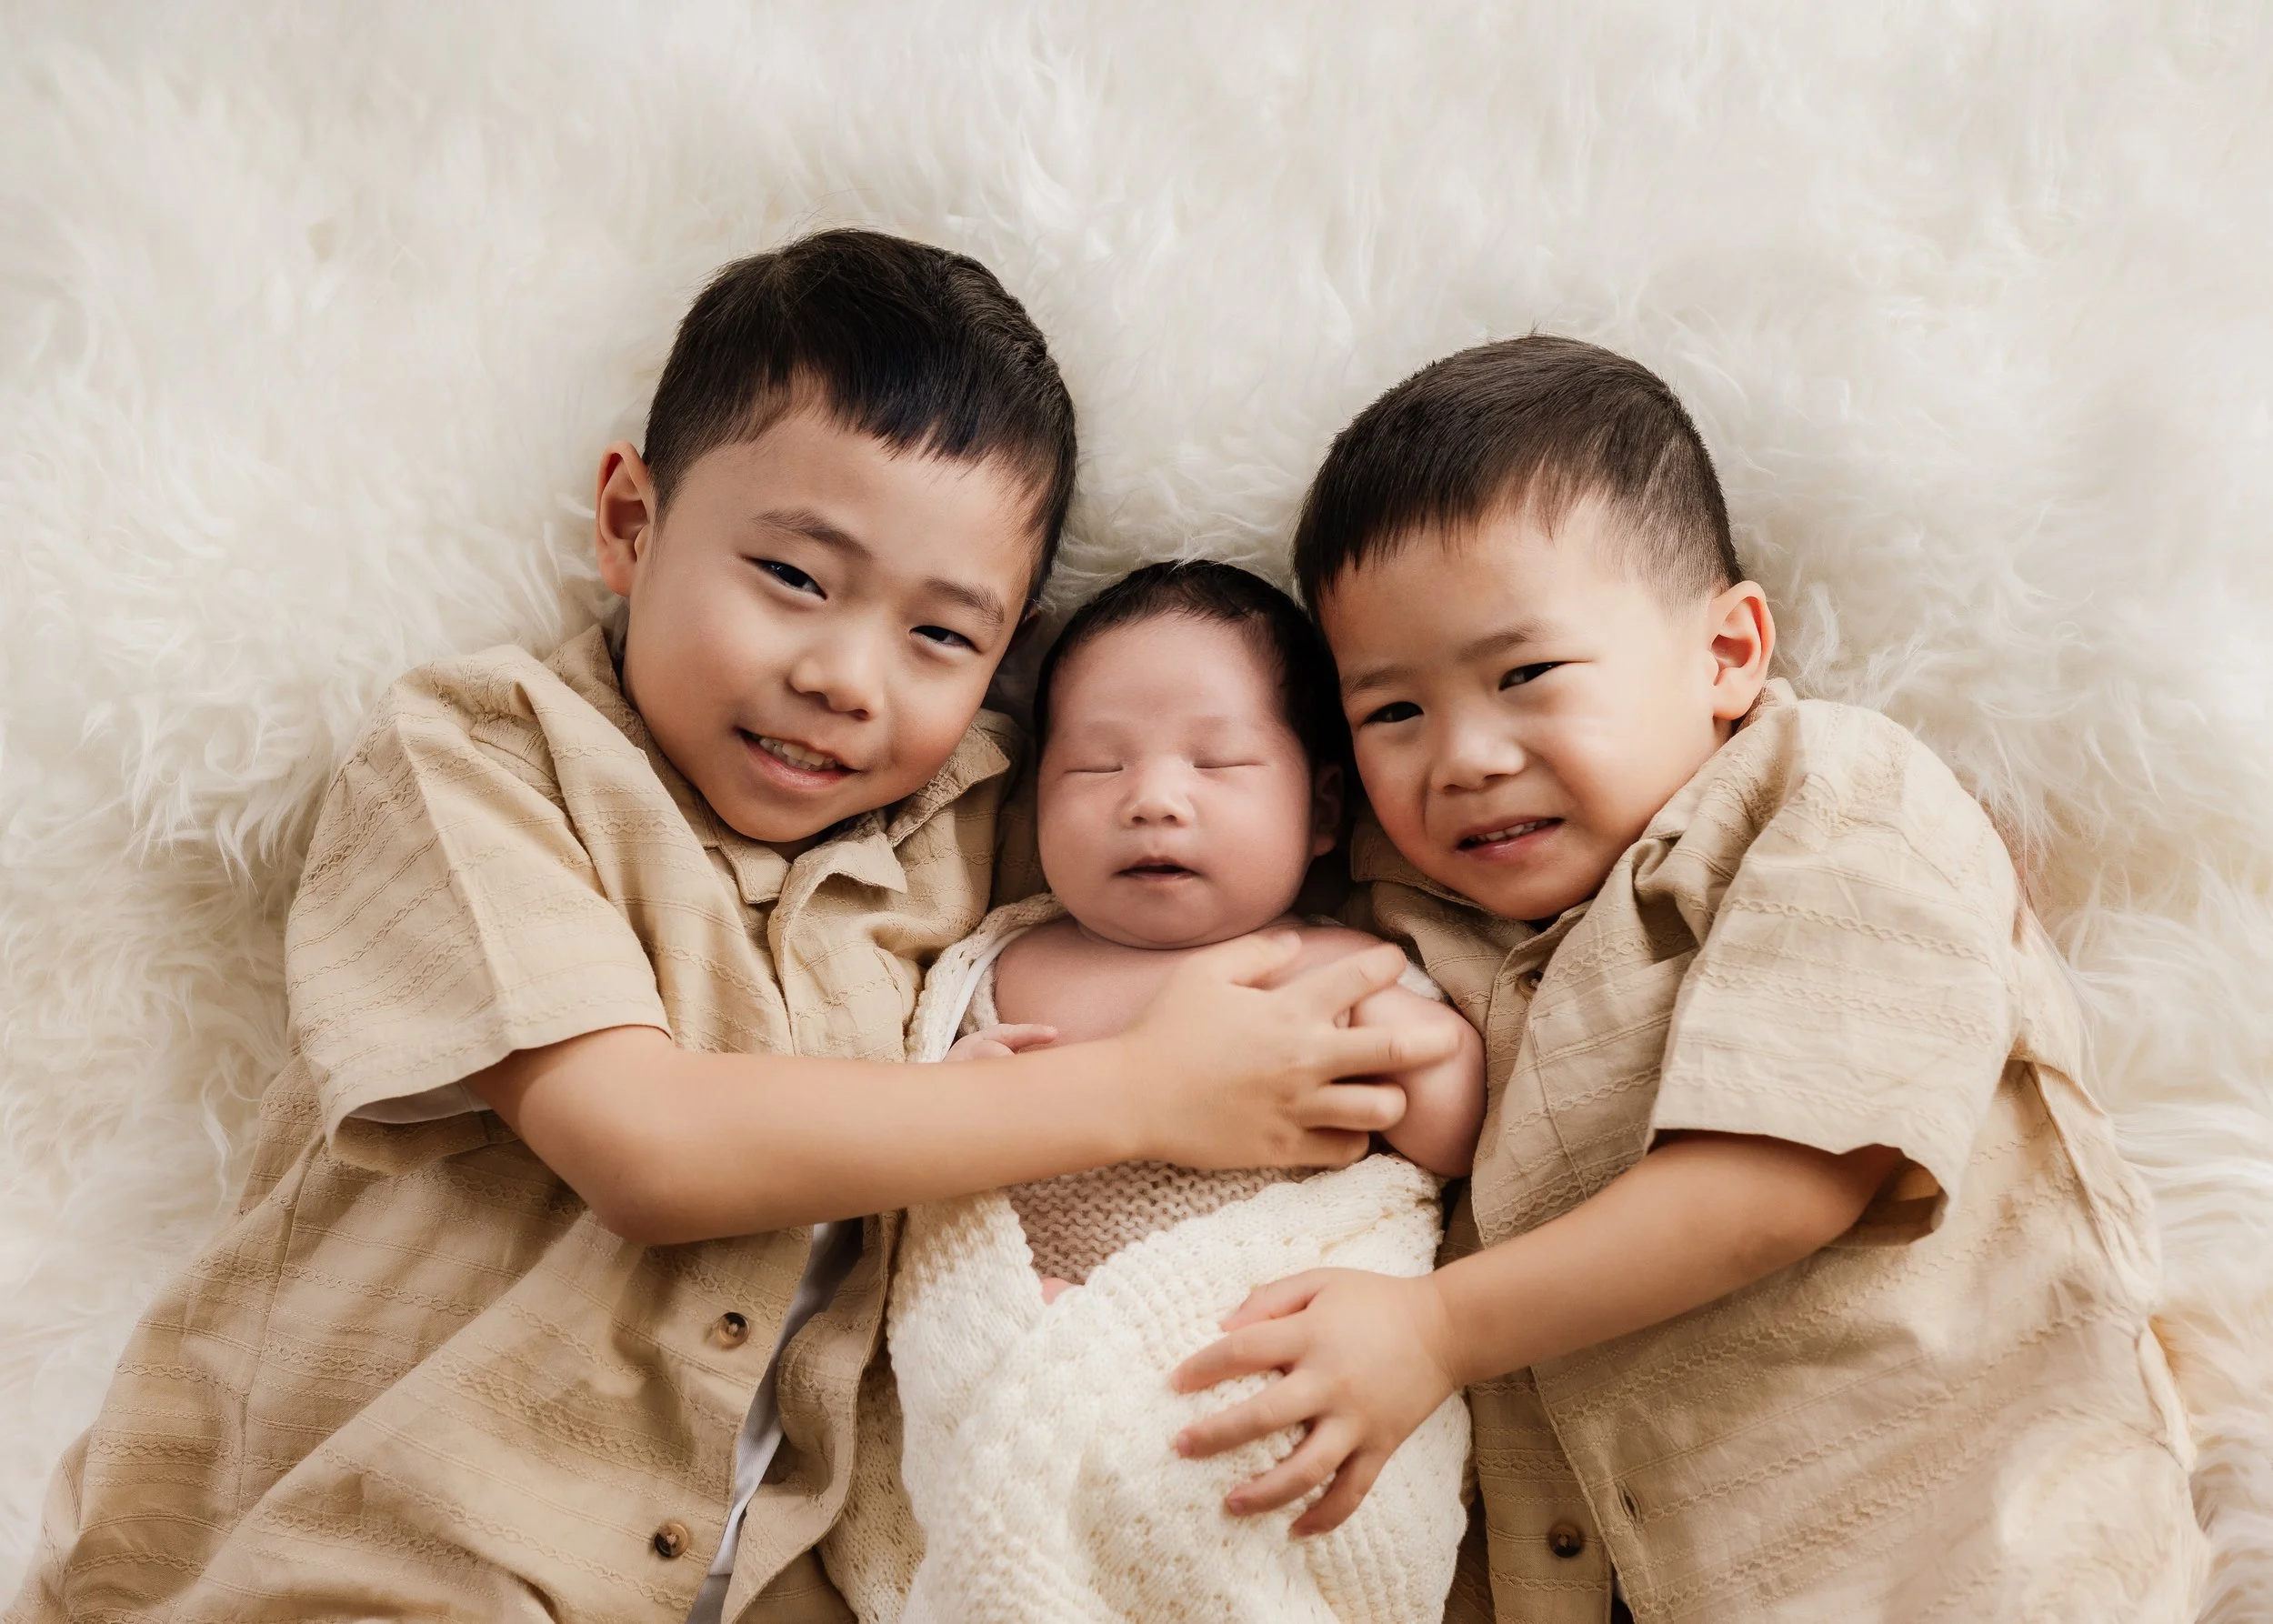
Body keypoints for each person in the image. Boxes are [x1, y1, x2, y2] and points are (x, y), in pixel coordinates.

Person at [6, 231, 1450, 1624]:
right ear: (631, 523)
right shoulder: (486, 763)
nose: (846, 676)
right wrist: (1139, 1090)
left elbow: (1214, 849)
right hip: (394, 1538)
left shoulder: (965, 820)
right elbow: (645, 1146)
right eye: (795, 578)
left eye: (942, 636)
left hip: (787, 1571)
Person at [1168, 336, 2205, 1620]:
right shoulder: (1409, 907)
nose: (1465, 756)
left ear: (1725, 652)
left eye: (1525, 675)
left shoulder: (1828, 798)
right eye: (1393, 713)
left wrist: (1434, 1329)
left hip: (1956, 1555)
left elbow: (1789, 1176)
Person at [823, 560, 1482, 1623]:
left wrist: (1426, 1051)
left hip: (1236, 1377)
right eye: (1096, 766)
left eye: (1217, 762)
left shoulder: (1340, 966)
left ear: (1322, 809)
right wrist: (958, 1090)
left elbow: (1450, 1150)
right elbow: (916, 1146)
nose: (1153, 799)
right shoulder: (1001, 963)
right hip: (1015, 1365)